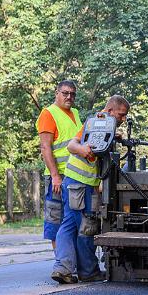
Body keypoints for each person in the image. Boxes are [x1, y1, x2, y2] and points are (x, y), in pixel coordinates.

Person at [51, 95, 130, 284]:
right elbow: (72, 145)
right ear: (110, 111)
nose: (123, 119)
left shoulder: (103, 124)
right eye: (121, 114)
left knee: (75, 225)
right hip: (80, 183)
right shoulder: (97, 122)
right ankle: (80, 270)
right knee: (83, 226)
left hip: (78, 182)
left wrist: (114, 136)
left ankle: (70, 268)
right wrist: (82, 150)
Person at [36, 80, 83, 250]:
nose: (69, 97)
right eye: (65, 93)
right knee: (56, 219)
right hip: (59, 177)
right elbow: (45, 147)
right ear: (57, 93)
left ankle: (70, 262)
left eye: (72, 94)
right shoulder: (49, 114)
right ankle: (60, 263)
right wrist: (55, 176)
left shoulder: (75, 113)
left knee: (73, 221)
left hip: (75, 176)